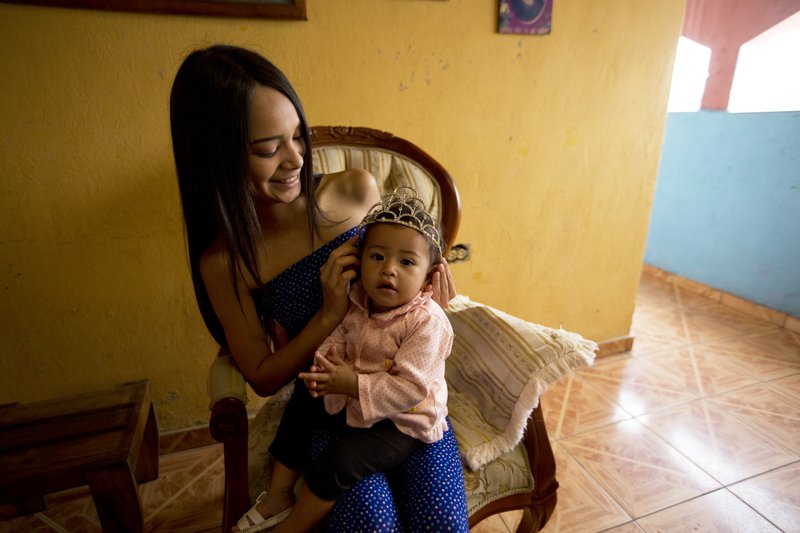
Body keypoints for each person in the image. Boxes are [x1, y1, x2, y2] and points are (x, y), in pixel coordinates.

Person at [169, 44, 469, 532]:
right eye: (268, 148)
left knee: (443, 523)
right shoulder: (225, 262)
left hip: (411, 405)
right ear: (215, 156)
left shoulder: (354, 191)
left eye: (297, 137)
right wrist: (328, 315)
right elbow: (263, 377)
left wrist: (430, 294)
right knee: (372, 526)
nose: (295, 160)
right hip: (331, 408)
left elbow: (405, 266)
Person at [240, 187, 455, 532]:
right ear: (360, 260)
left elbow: (411, 389)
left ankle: (293, 526)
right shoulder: (358, 300)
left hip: (402, 421)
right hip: (352, 393)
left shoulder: (427, 322)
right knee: (303, 395)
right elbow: (339, 337)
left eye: (406, 262)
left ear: (429, 277)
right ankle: (278, 493)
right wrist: (326, 366)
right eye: (377, 257)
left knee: (338, 462)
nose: (389, 270)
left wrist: (351, 383)